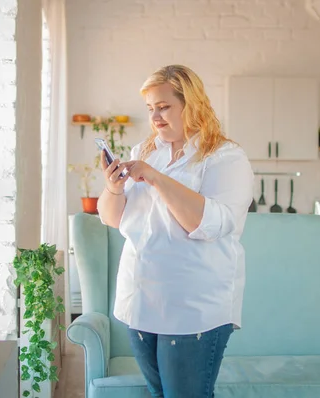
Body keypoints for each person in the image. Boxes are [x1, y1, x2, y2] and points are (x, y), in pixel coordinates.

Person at [96, 64, 254, 398]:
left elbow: (207, 224)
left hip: (192, 307)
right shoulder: (145, 151)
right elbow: (113, 220)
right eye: (150, 108)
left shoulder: (225, 157)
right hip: (139, 301)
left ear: (192, 104)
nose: (155, 117)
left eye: (164, 107)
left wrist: (154, 177)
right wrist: (113, 189)